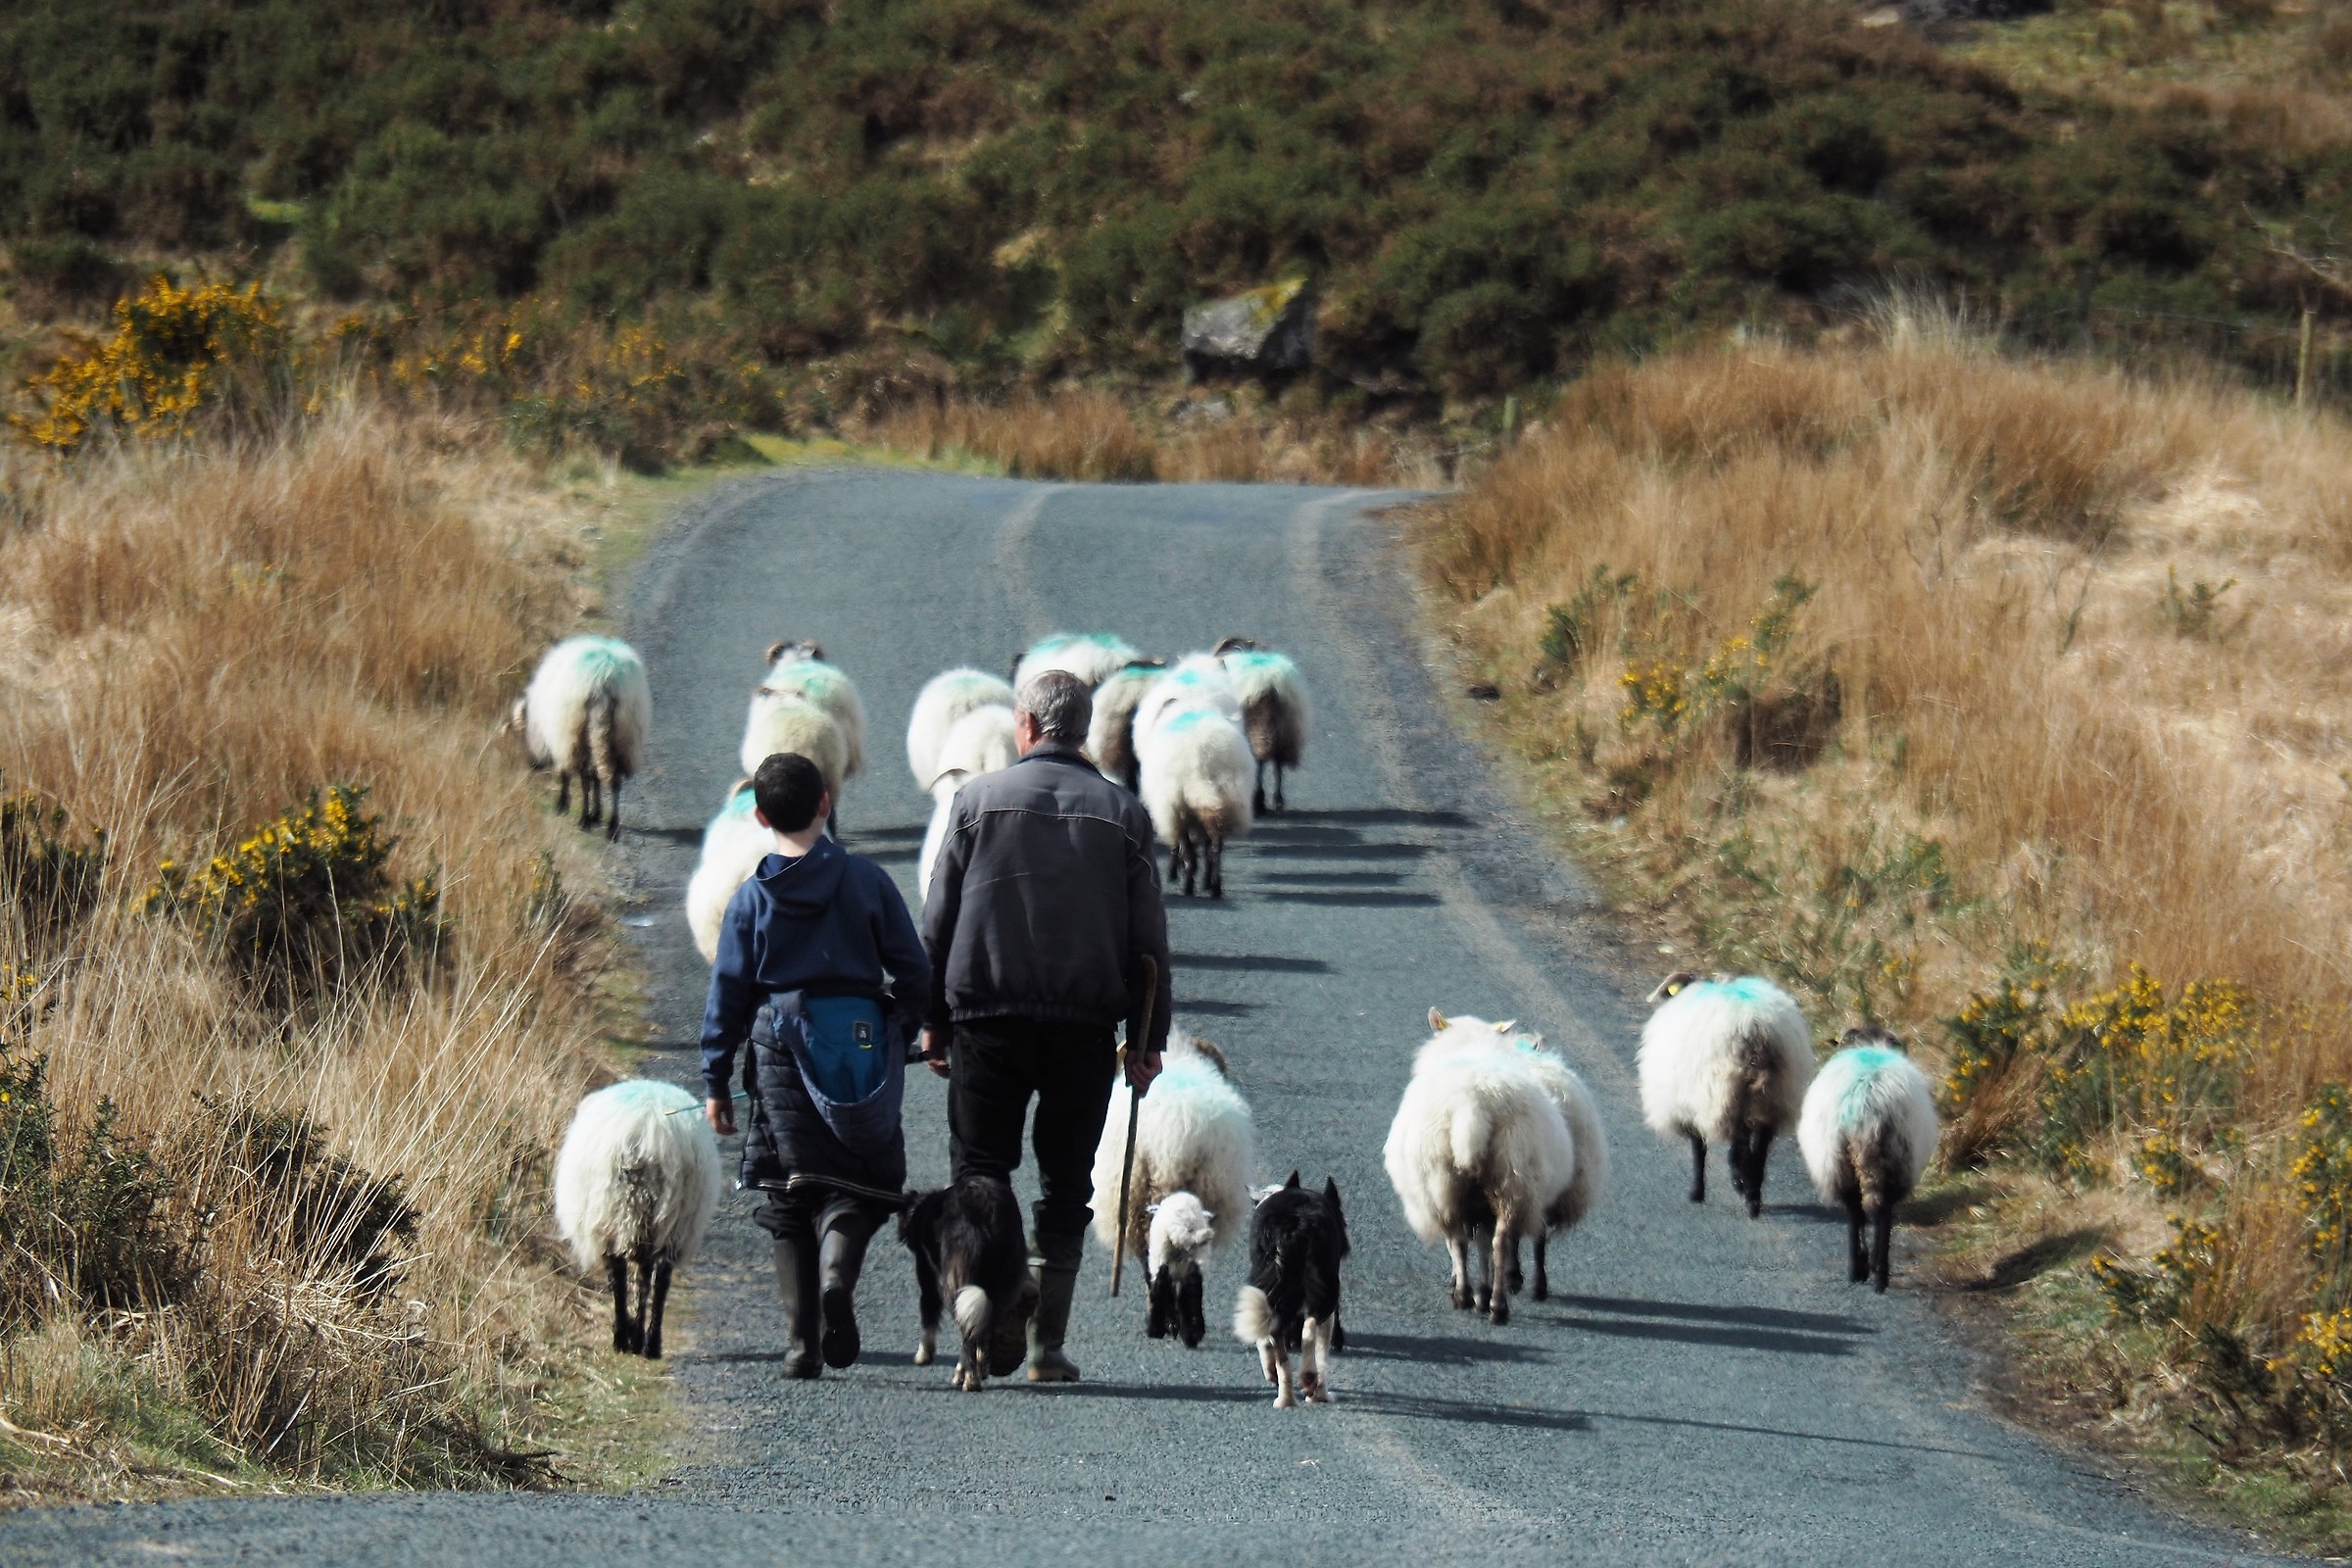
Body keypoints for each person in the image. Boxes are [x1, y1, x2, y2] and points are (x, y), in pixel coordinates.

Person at [920, 667, 1173, 1383]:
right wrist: (1147, 1043)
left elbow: (936, 926)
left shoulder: (974, 801)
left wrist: (931, 1021)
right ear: (1084, 731)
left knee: (980, 1174)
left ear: (1025, 726)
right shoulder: (1124, 814)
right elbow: (1149, 943)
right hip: (1083, 1029)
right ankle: (1043, 1347)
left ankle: (986, 1319)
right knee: (1067, 1187)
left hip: (986, 1021)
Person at [702, 752, 931, 1380]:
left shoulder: (751, 900)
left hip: (779, 1047)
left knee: (786, 1190)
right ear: (826, 802)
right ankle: (838, 1275)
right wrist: (911, 1027)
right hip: (860, 1041)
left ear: (758, 816)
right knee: (859, 1179)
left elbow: (728, 991)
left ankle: (802, 1343)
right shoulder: (867, 881)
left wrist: (716, 1079)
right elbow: (913, 969)